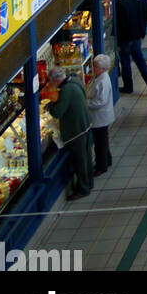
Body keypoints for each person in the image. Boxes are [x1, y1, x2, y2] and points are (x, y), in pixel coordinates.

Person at [43, 68, 93, 200]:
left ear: (55, 80)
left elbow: (58, 112)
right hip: (85, 125)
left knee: (79, 161)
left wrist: (51, 105)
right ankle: (89, 183)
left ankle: (83, 189)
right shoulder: (75, 81)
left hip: (75, 131)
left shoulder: (65, 91)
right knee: (86, 158)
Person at [115, 0, 147, 95]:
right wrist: (142, 33)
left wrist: (118, 42)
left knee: (125, 62)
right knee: (140, 61)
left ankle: (128, 86)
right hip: (137, 37)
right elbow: (144, 18)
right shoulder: (139, 0)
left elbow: (121, 25)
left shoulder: (122, 5)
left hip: (126, 40)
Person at [86, 53, 114, 176]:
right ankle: (107, 160)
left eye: (96, 66)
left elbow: (100, 101)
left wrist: (86, 103)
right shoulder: (100, 78)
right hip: (102, 117)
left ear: (102, 68)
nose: (93, 68)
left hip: (100, 118)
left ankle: (101, 166)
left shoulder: (102, 81)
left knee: (100, 143)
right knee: (103, 141)